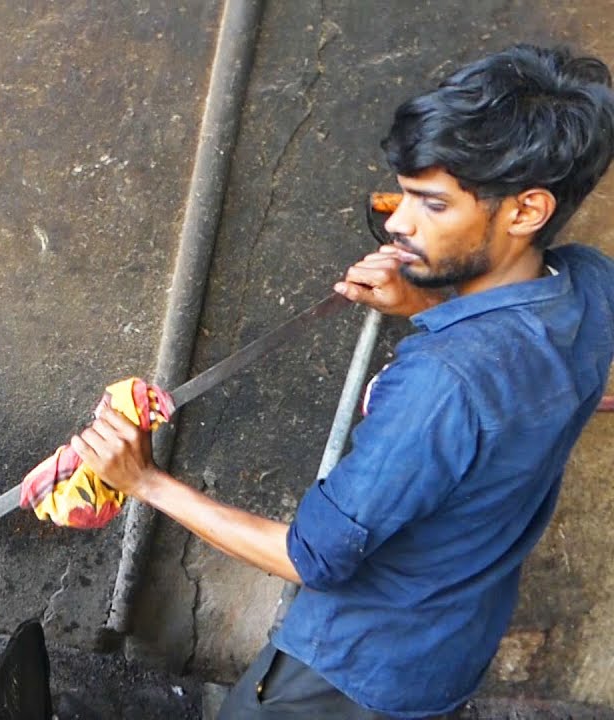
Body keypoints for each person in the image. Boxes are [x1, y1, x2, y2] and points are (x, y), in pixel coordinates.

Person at [70, 44, 614, 719]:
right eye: (405, 194)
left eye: (433, 206)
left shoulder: (440, 385)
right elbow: (523, 381)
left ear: (526, 211)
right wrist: (421, 308)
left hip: (352, 673)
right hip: (454, 644)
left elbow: (312, 558)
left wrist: (143, 481)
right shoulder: (588, 284)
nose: (396, 223)